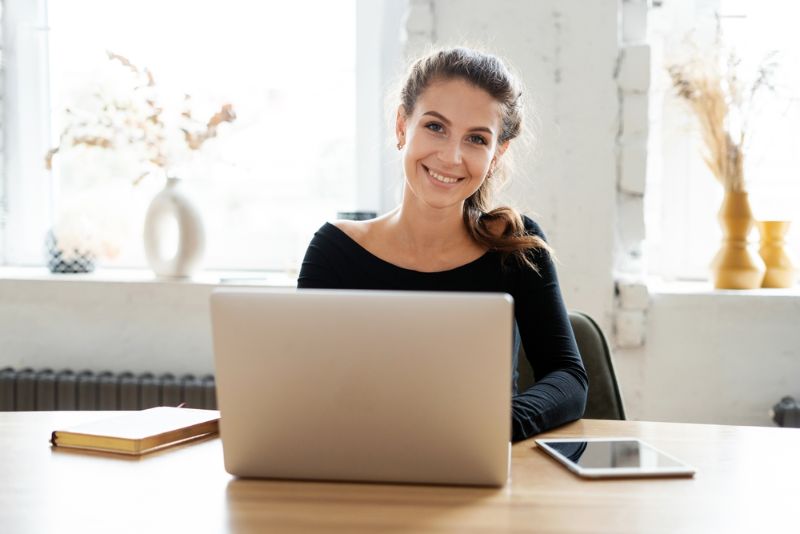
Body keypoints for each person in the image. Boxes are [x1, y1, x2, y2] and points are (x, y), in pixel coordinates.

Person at [298, 47, 587, 441]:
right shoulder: (335, 251)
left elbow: (568, 378)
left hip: (478, 464)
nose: (451, 156)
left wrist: (491, 426)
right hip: (360, 460)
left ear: (497, 153)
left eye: (476, 139)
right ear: (402, 126)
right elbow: (305, 387)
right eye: (435, 127)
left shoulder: (516, 248)